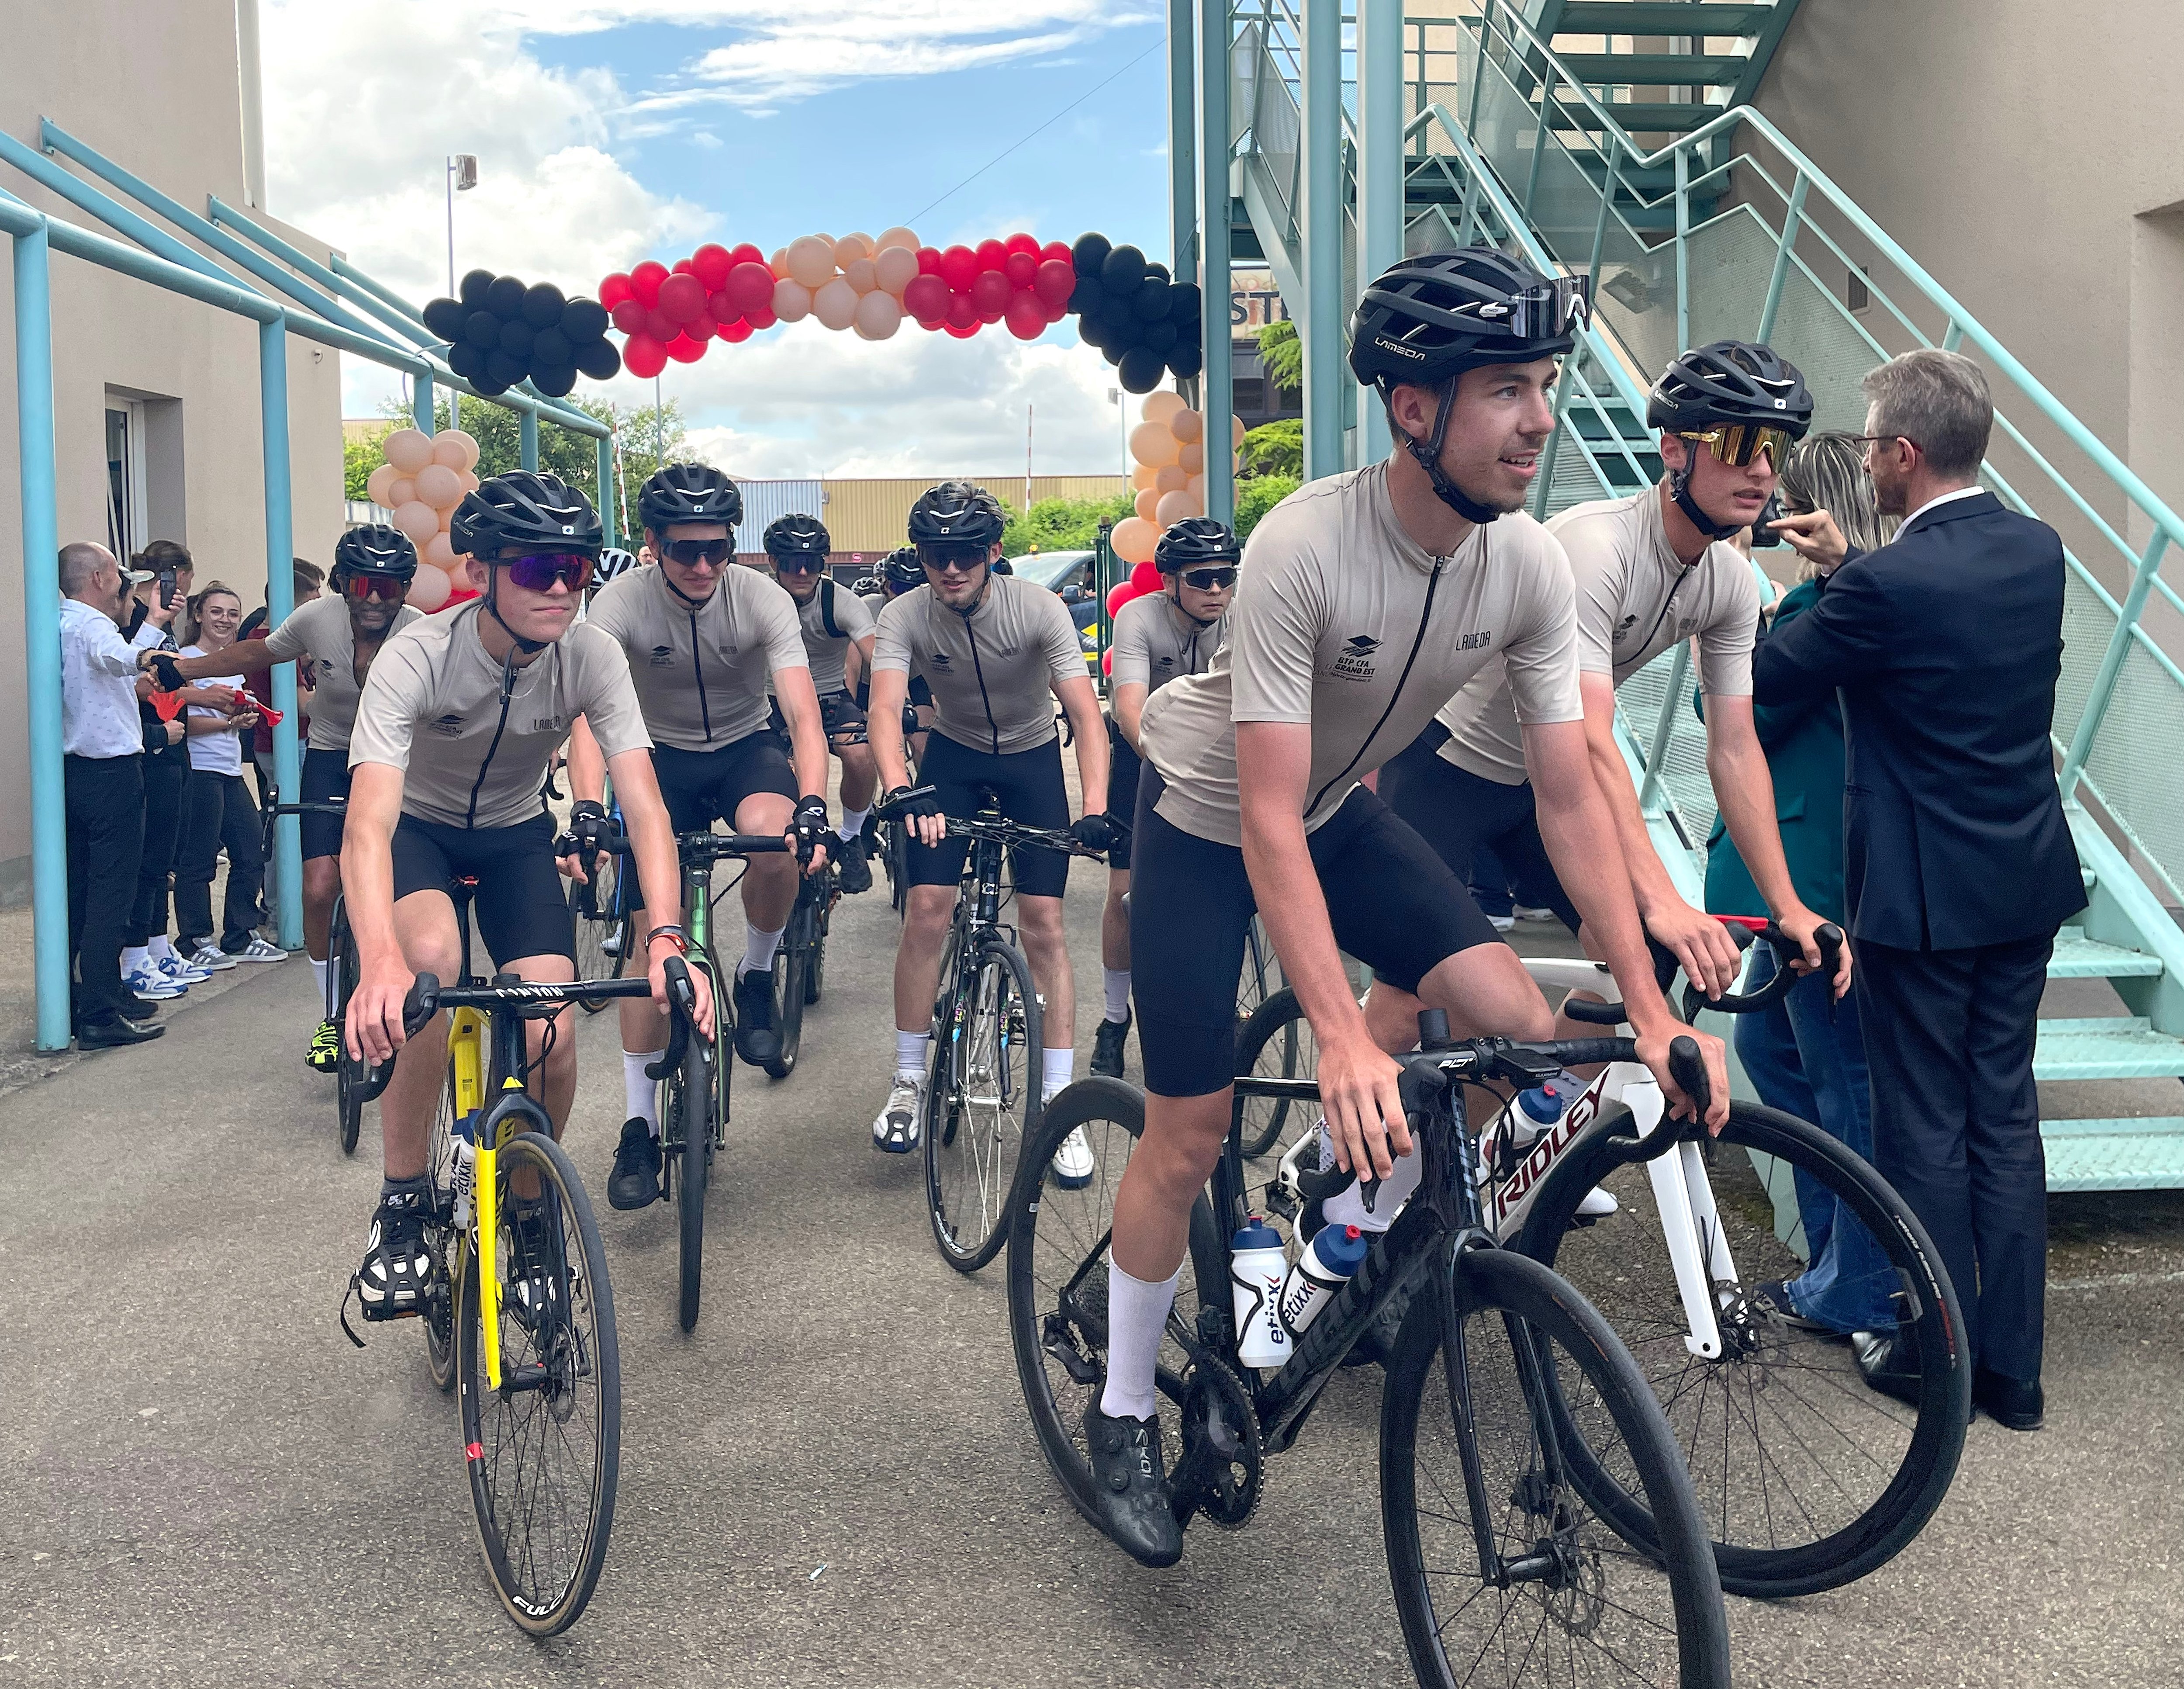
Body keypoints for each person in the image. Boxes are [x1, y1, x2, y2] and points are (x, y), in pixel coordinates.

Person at [1082, 249, 1727, 1568]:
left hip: (1341, 811)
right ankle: (1119, 1402)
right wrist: (1336, 1031)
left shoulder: (1529, 568)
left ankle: (1343, 1229)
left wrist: (1652, 1010)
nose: (1539, 418)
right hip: (1207, 818)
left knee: (1535, 1040)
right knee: (1189, 1132)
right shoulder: (1303, 543)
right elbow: (1263, 816)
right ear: (1412, 408)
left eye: (1542, 385)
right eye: (1505, 389)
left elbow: (1567, 802)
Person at [1760, 348, 2082, 1433]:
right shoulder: (2036, 551)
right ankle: (2014, 1377)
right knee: (2004, 1117)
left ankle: (1934, 1360)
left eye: (1865, 445)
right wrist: (1851, 563)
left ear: (1902, 454)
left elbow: (1767, 679)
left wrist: (1797, 582)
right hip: (2023, 881)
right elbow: (1926, 622)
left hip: (1920, 899)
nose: (1864, 459)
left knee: (1924, 1132)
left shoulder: (1888, 585)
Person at [342, 470, 711, 1321]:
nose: (559, 588)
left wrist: (664, 934)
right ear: (485, 569)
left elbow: (645, 804)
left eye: (575, 570)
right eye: (539, 567)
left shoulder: (591, 654)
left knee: (549, 1026)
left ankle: (532, 1215)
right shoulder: (417, 655)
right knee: (429, 966)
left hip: (514, 837)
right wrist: (380, 961)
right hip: (418, 834)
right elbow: (367, 825)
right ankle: (402, 1202)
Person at [1381, 339, 1846, 1012]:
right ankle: (1351, 1115)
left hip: (1544, 789)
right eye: (1743, 443)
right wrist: (1661, 896)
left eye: (1779, 448)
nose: (1765, 470)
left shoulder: (1728, 584)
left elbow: (1736, 748)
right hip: (1446, 770)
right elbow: (1591, 738)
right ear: (1675, 450)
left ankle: (1540, 1113)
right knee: (1417, 1001)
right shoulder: (1594, 548)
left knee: (1648, 958)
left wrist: (1790, 905)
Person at [569, 463, 831, 1212]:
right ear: (652, 544)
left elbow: (804, 717)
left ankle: (755, 973)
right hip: (658, 760)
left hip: (746, 748)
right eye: (685, 550)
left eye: (718, 548)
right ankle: (636, 1127)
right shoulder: (618, 602)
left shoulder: (761, 598)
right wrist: (589, 807)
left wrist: (813, 801)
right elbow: (589, 717)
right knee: (647, 938)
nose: (704, 565)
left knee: (774, 840)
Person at [1700, 433, 1895, 1337]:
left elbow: (1736, 706)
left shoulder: (1834, 607)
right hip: (1792, 886)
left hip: (1810, 891)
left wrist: (1741, 597)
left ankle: (1853, 1285)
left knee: (1836, 1082)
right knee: (1785, 1064)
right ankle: (1831, 1267)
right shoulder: (1844, 602)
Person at [866, 481, 1113, 1177]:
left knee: (1044, 925)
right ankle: (909, 1082)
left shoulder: (1039, 609)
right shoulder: (904, 614)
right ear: (921, 556)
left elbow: (1086, 716)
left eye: (967, 552)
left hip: (1033, 759)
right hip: (954, 757)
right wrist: (901, 789)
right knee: (926, 911)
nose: (951, 567)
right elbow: (886, 709)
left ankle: (1061, 1104)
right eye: (937, 553)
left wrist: (1093, 806)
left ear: (993, 552)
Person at [154, 528, 422, 1068]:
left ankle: (393, 986)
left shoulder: (421, 633)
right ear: (343, 584)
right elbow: (262, 650)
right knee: (320, 885)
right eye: (364, 583)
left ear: (406, 589)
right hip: (331, 753)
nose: (375, 597)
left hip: (399, 761)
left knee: (403, 890)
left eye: (389, 586)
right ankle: (330, 1013)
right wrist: (180, 667)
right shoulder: (317, 618)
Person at [1092, 518, 1236, 1079]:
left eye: (1226, 577)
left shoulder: (1240, 611)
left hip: (1221, 749)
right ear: (1170, 582)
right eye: (1202, 579)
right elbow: (1128, 704)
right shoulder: (1139, 616)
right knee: (1126, 892)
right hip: (1145, 750)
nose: (1217, 592)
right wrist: (1166, 763)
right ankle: (1112, 1019)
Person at [59, 541, 175, 1047]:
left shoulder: (61, 622)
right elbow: (114, 657)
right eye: (119, 577)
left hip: (74, 772)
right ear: (100, 578)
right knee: (111, 892)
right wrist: (146, 654)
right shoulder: (92, 627)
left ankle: (86, 995)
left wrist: (147, 633)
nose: (123, 586)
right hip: (110, 774)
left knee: (82, 889)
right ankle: (100, 1012)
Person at [119, 543, 225, 1000]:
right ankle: (134, 954)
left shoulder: (162, 624)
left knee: (165, 856)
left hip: (175, 748)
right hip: (151, 748)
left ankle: (158, 947)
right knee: (148, 859)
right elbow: (143, 683)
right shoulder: (137, 621)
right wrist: (204, 697)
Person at [762, 512, 881, 893]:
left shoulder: (841, 601)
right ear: (772, 563)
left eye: (811, 563)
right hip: (769, 700)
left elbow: (877, 657)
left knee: (863, 756)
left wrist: (899, 702)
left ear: (823, 564)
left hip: (829, 695)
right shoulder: (757, 598)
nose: (801, 571)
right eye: (790, 563)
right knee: (790, 773)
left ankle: (851, 836)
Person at [172, 581, 285, 969]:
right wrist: (228, 723)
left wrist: (242, 720)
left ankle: (240, 934)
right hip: (199, 770)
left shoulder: (233, 663)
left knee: (252, 850)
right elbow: (179, 720)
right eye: (217, 611)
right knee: (198, 860)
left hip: (229, 768)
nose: (225, 620)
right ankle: (195, 939)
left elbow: (228, 721)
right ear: (199, 615)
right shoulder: (183, 660)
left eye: (233, 613)